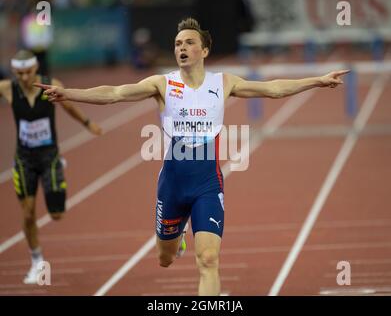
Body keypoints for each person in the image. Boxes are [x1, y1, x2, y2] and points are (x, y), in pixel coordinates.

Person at [35, 18, 348, 295]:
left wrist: (317, 81)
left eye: (188, 43)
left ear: (204, 51)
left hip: (206, 185)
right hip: (172, 185)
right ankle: (176, 239)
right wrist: (70, 94)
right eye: (177, 44)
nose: (181, 48)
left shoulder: (222, 83)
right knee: (165, 258)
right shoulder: (162, 83)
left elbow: (273, 88)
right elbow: (115, 94)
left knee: (209, 260)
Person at [0, 49, 102, 284]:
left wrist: (88, 123)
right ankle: (36, 261)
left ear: (36, 69)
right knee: (27, 213)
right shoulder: (8, 89)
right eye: (20, 73)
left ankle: (59, 170)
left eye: (28, 72)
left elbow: (69, 106)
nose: (25, 77)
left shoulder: (50, 85)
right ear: (14, 72)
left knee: (57, 214)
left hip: (49, 156)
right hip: (24, 159)